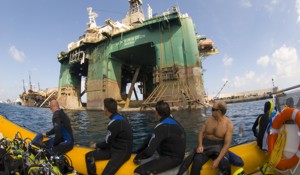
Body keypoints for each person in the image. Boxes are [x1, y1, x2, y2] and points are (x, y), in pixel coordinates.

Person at [133, 100, 186, 175]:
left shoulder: (161, 127)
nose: (155, 114)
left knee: (138, 171)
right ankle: (137, 151)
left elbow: (149, 152)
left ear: (158, 113)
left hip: (172, 159)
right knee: (151, 135)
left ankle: (137, 153)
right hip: (178, 154)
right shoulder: (174, 121)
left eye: (155, 112)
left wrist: (137, 157)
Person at [85, 98, 133, 175]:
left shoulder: (114, 123)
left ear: (106, 110)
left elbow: (107, 143)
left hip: (121, 153)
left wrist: (95, 145)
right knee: (89, 155)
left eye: (104, 108)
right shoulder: (122, 117)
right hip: (115, 148)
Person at [190, 100, 234, 175]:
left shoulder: (228, 125)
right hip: (205, 144)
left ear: (219, 111)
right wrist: (200, 145)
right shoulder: (208, 119)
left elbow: (226, 145)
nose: (211, 110)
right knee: (196, 164)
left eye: (213, 109)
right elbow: (201, 133)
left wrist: (217, 160)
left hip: (219, 146)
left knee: (226, 165)